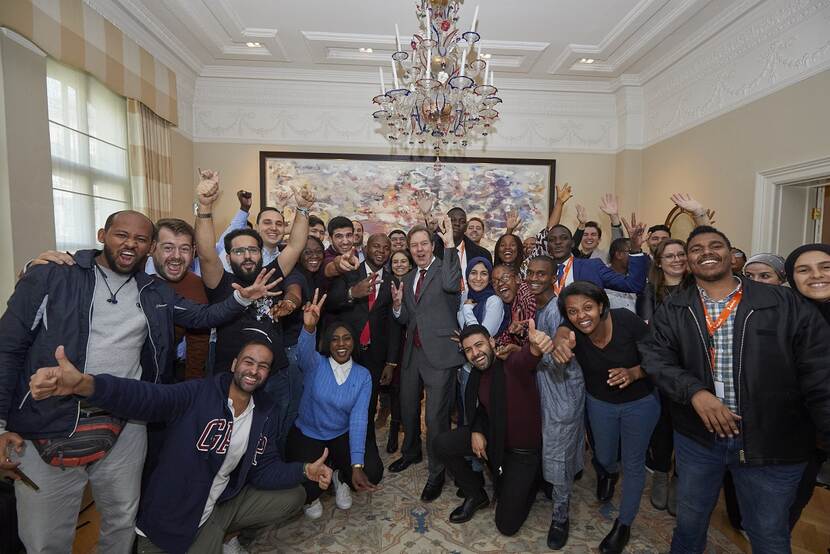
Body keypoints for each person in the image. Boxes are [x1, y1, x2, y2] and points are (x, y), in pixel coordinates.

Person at [0, 210, 279, 554]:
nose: (130, 244)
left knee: (121, 521)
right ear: (102, 235)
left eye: (140, 239)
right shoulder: (53, 275)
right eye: (122, 235)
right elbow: (8, 348)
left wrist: (243, 297)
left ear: (148, 247)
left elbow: (202, 316)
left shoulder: (153, 290)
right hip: (51, 420)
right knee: (46, 540)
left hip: (126, 422)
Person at [27, 339, 332, 554]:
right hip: (171, 518)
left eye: (263, 366)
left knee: (294, 495)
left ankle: (226, 531)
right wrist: (87, 385)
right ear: (235, 364)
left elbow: (264, 470)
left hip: (217, 506)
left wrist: (304, 470)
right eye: (249, 362)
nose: (254, 370)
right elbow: (147, 397)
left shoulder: (264, 412)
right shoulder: (198, 394)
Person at [640, 226, 830, 553]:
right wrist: (694, 392)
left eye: (716, 245)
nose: (706, 252)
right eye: (696, 249)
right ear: (688, 261)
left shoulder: (783, 302)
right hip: (698, 438)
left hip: (771, 442)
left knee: (768, 533)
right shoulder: (675, 308)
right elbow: (655, 357)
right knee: (689, 522)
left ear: (731, 255)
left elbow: (819, 372)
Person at [553, 282, 660, 553]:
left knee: (633, 463)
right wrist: (559, 339)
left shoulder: (626, 320)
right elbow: (562, 333)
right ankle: (609, 473)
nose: (581, 316)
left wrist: (634, 373)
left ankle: (623, 525)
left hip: (640, 402)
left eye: (588, 307)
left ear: (601, 306)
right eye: (573, 311)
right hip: (600, 403)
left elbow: (658, 357)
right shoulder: (573, 331)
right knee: (604, 455)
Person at [433, 322, 554, 534]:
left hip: (522, 453)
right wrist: (476, 430)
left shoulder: (510, 363)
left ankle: (533, 480)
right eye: (468, 350)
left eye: (479, 345)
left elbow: (527, 358)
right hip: (495, 439)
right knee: (442, 443)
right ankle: (475, 495)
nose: (475, 353)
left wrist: (535, 347)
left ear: (491, 342)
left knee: (506, 525)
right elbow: (482, 409)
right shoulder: (477, 374)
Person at [193, 171, 311, 375]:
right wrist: (204, 206)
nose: (247, 256)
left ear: (260, 252)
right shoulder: (220, 281)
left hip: (273, 374)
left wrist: (303, 209)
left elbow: (295, 246)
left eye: (253, 250)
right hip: (231, 374)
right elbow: (206, 254)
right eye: (239, 251)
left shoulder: (271, 275)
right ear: (228, 257)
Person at [285, 290, 382, 519]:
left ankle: (340, 477)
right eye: (335, 339)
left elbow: (359, 419)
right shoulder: (315, 364)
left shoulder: (362, 375)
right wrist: (309, 327)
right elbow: (303, 353)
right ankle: (317, 487)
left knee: (372, 471)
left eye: (346, 338)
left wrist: (356, 466)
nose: (341, 344)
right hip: (308, 434)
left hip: (341, 434)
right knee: (304, 490)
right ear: (327, 343)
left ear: (354, 342)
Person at [389, 219, 464, 502]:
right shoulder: (407, 278)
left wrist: (450, 245)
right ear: (408, 249)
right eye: (414, 245)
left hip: (441, 354)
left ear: (433, 246)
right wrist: (398, 306)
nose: (419, 249)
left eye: (424, 244)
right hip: (413, 353)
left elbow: (452, 285)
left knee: (435, 418)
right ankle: (411, 452)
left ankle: (437, 472)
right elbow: (407, 319)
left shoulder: (445, 269)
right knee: (408, 408)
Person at [526, 255, 585, 550]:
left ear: (554, 278)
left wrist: (557, 346)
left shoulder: (560, 307)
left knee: (559, 450)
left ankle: (561, 517)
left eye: (542, 274)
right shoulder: (534, 304)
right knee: (550, 446)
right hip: (543, 386)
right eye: (531, 273)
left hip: (563, 390)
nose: (535, 278)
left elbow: (563, 335)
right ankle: (552, 482)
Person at [327, 233, 401, 457]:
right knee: (339, 402)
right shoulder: (349, 272)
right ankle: (337, 451)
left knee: (368, 406)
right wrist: (352, 292)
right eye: (376, 246)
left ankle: (364, 450)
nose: (381, 251)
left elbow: (393, 326)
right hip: (346, 352)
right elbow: (331, 303)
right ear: (366, 248)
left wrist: (391, 362)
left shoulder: (393, 281)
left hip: (375, 355)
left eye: (386, 248)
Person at [636, 238, 688, 514]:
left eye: (681, 254)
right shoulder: (649, 291)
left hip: (695, 367)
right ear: (659, 262)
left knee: (689, 426)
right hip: (662, 368)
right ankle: (660, 473)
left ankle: (680, 476)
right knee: (663, 424)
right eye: (670, 255)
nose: (677, 259)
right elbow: (649, 332)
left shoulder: (698, 287)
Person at [384, 249, 416, 454]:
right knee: (395, 390)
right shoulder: (386, 284)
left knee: (411, 391)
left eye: (404, 261)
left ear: (410, 264)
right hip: (390, 344)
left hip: (411, 343)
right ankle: (394, 430)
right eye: (395, 261)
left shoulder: (416, 283)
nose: (399, 265)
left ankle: (410, 430)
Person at [217, 190, 287, 269]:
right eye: (267, 223)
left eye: (279, 224)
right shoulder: (238, 253)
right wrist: (244, 210)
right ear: (256, 228)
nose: (274, 228)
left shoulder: (285, 258)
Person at [605, 237, 637, 313]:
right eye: (632, 252)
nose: (636, 256)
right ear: (619, 254)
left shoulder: (638, 275)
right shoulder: (601, 276)